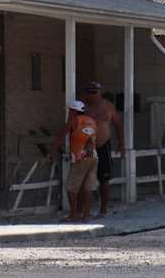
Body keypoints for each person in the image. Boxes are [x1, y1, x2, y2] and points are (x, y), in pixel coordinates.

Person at [50, 100, 99, 221]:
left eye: (70, 111)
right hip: (93, 157)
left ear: (73, 111)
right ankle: (86, 215)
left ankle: (74, 215)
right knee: (89, 187)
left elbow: (61, 136)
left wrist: (52, 151)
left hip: (80, 157)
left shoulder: (73, 121)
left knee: (71, 187)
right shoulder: (92, 121)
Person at [83, 81, 124, 217]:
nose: (92, 95)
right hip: (86, 146)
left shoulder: (108, 107)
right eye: (90, 92)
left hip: (103, 145)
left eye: (95, 91)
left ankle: (103, 209)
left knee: (104, 179)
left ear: (100, 92)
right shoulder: (83, 107)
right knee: (84, 178)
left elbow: (118, 125)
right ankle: (83, 210)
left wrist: (121, 143)